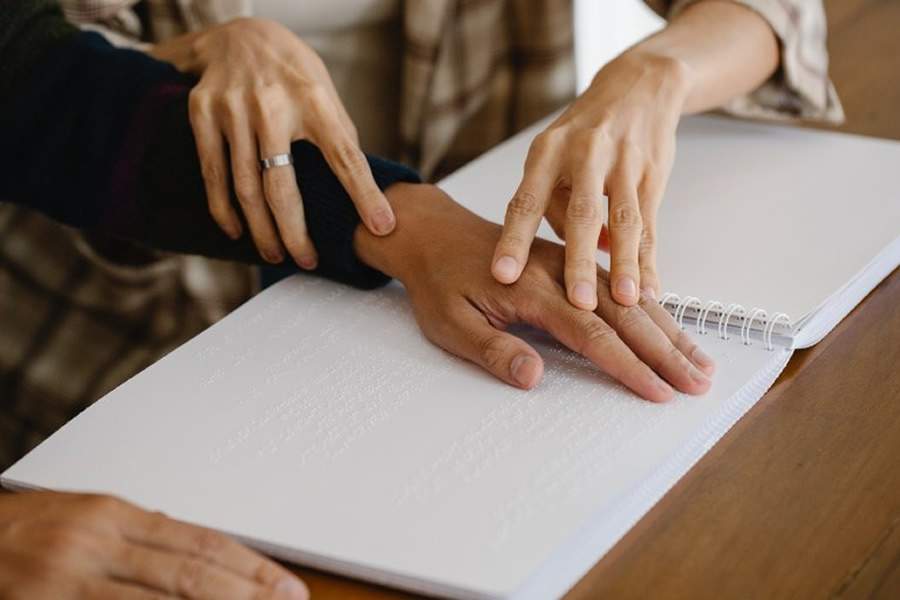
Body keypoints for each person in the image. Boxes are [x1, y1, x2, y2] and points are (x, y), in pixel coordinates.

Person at [0, 1, 840, 597]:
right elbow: (49, 83)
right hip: (109, 354)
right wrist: (404, 219)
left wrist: (660, 68)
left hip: (412, 261)